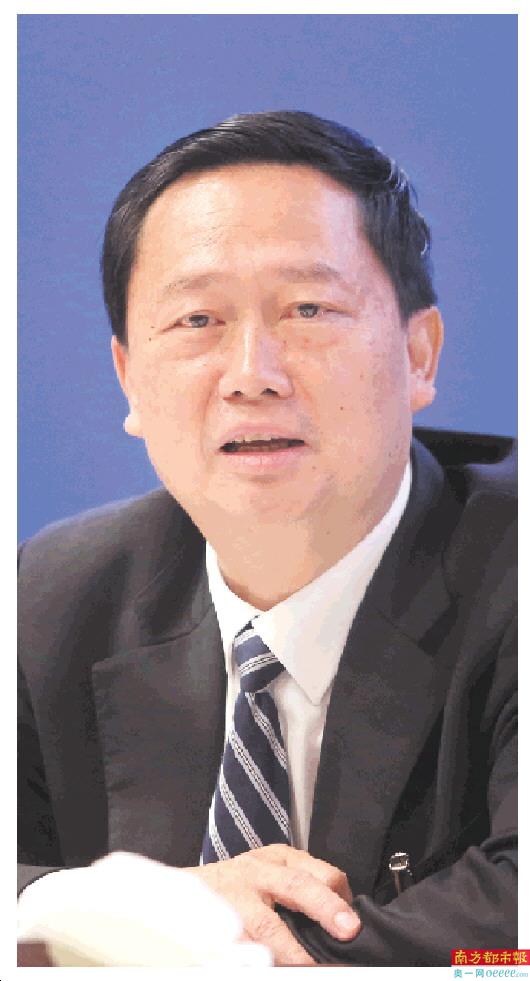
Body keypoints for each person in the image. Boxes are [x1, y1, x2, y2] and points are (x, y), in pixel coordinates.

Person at [18, 110, 517, 966]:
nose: (252, 375)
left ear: (420, 354)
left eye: (307, 308)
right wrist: (83, 906)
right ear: (128, 378)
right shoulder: (50, 595)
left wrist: (192, 943)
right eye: (197, 320)